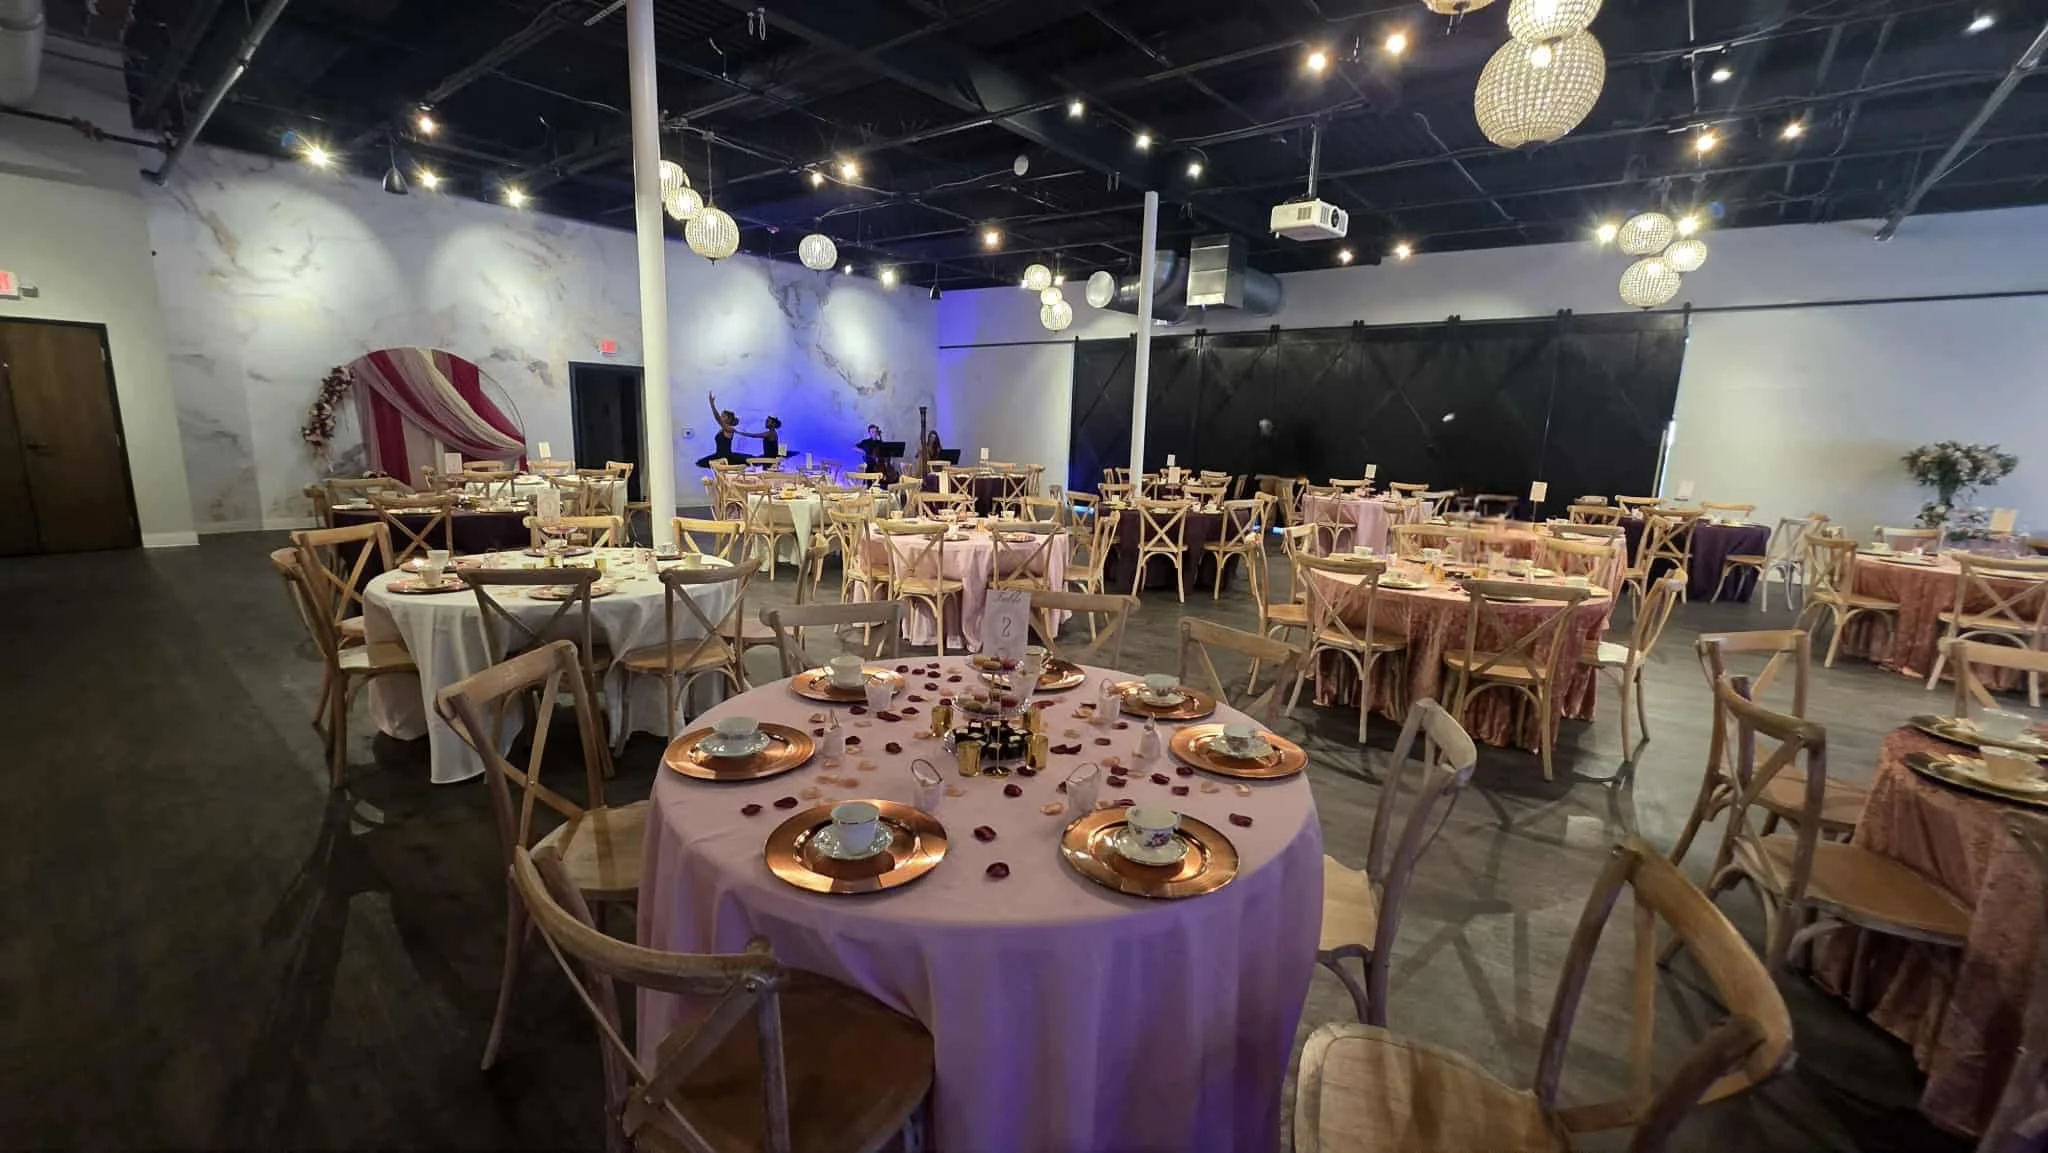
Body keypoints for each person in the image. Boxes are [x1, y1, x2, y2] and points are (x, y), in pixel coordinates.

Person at [694, 394, 744, 468]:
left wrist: (712, 404)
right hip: (719, 456)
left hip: (726, 457)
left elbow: (717, 418)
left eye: (723, 416)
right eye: (721, 415)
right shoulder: (723, 429)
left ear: (729, 419)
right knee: (700, 463)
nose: (721, 417)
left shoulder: (729, 429)